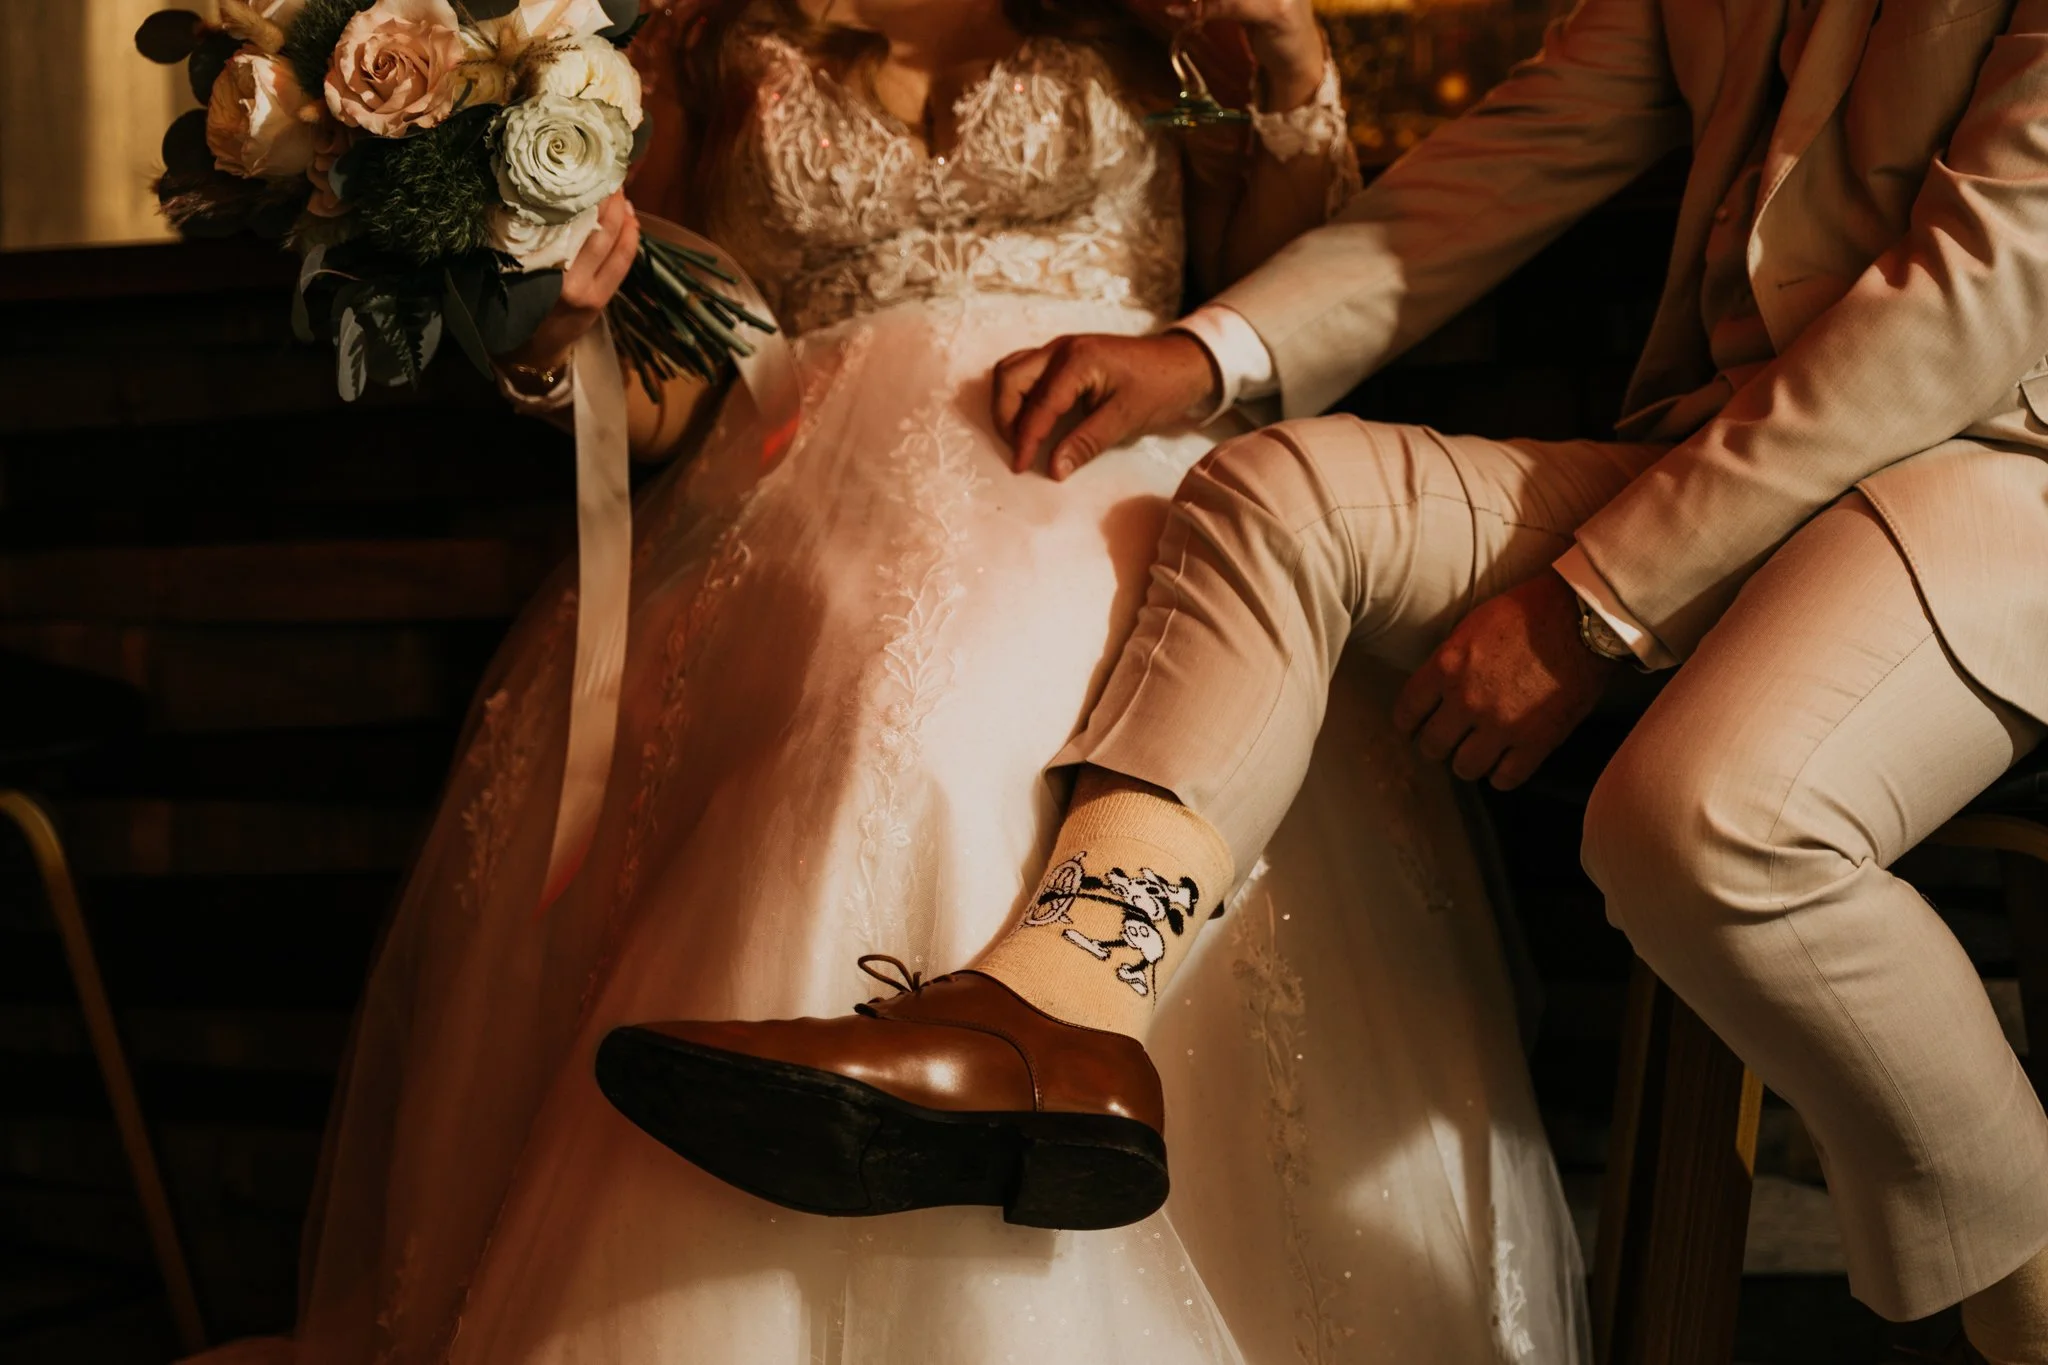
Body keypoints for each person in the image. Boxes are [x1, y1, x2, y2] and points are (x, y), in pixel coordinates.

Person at [601, 0, 2048, 1361]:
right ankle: (1053, 1018)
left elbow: (1964, 310)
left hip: (1995, 465)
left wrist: (1594, 603)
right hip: (1737, 447)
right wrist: (1203, 350)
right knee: (1275, 494)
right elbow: (1522, 149)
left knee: (1696, 823)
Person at [201, 1, 1592, 1363]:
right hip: (798, 509)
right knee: (871, 712)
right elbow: (673, 395)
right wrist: (547, 336)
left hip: (1136, 495)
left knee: (985, 708)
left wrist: (1284, 52)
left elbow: (1271, 329)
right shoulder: (707, 36)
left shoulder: (1155, 24)